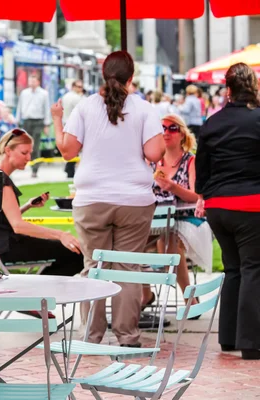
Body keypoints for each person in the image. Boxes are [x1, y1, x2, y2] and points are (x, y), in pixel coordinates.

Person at [54, 51, 165, 347]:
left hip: (91, 199)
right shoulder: (144, 108)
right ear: (131, 78)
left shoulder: (85, 107)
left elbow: (67, 150)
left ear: (103, 74)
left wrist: (57, 121)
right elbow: (155, 153)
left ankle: (91, 335)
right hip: (135, 200)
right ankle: (128, 336)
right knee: (127, 268)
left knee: (94, 266)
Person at [195, 63, 260, 360]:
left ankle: (228, 338)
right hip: (250, 204)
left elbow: (202, 168)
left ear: (228, 89)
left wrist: (205, 195)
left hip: (217, 207)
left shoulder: (212, 122)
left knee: (233, 269)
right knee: (253, 270)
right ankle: (251, 343)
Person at [0, 128, 84, 278]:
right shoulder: (1, 181)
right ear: (8, 151)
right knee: (76, 253)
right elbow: (18, 226)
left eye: (30, 152)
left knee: (71, 252)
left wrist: (27, 206)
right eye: (24, 153)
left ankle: (40, 288)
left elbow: (0, 218)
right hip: (6, 248)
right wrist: (61, 235)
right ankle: (40, 290)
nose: (29, 157)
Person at [143, 114, 213, 311]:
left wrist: (173, 187)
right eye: (162, 128)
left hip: (188, 218)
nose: (166, 132)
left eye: (172, 128)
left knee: (167, 241)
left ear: (182, 134)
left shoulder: (191, 161)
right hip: (156, 219)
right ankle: (145, 294)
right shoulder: (151, 162)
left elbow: (197, 196)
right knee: (128, 239)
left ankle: (189, 298)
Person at [15, 74, 51, 178]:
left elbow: (46, 108)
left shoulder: (44, 94)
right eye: (30, 81)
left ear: (38, 82)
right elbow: (19, 106)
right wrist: (17, 120)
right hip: (26, 121)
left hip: (38, 121)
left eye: (33, 81)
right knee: (24, 145)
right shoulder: (24, 93)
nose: (31, 83)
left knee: (35, 146)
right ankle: (23, 164)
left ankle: (35, 169)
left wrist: (46, 124)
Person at [61, 80, 85, 178]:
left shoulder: (65, 96)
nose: (81, 89)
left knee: (70, 147)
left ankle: (69, 168)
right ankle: (69, 168)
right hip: (75, 125)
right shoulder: (77, 98)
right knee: (76, 148)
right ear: (74, 86)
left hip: (66, 123)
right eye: (79, 87)